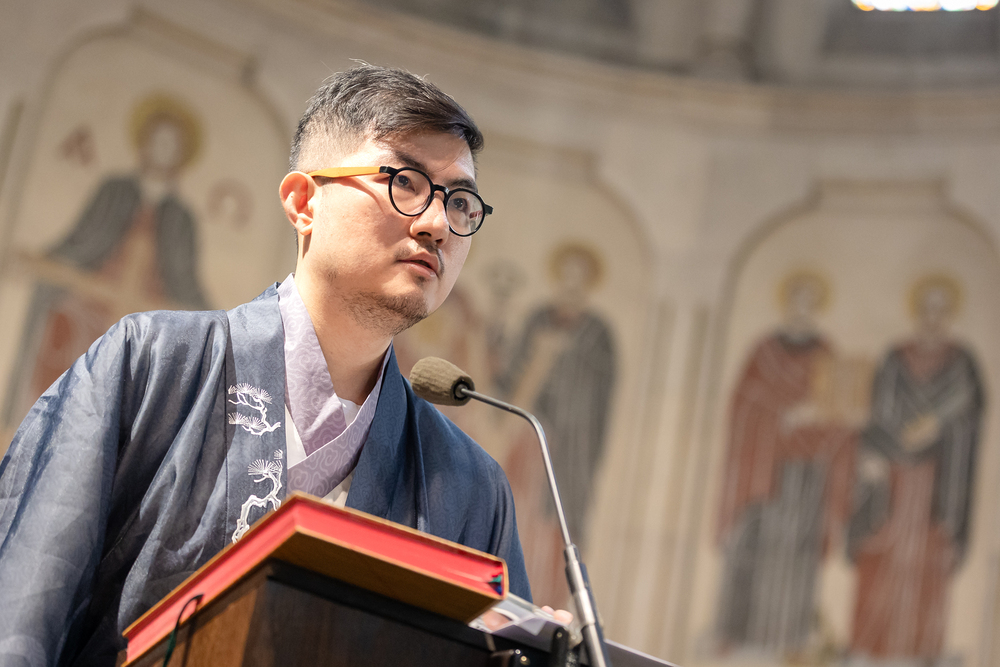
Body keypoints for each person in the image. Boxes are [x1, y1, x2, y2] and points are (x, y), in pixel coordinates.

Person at [0, 64, 530, 666]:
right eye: (405, 182)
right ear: (304, 202)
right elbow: (21, 611)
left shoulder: (470, 485)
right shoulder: (152, 365)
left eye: (460, 202)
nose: (437, 224)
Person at [715, 271, 857, 655]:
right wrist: (779, 415)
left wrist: (818, 420)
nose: (802, 309)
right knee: (754, 551)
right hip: (763, 474)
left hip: (805, 478)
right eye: (797, 300)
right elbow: (743, 404)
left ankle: (787, 639)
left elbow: (839, 416)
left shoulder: (826, 354)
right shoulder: (765, 352)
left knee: (795, 558)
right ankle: (743, 634)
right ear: (787, 303)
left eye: (810, 302)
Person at [848, 274, 983, 660]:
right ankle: (869, 645)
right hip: (892, 484)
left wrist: (939, 426)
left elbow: (969, 415)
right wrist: (891, 445)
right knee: (881, 553)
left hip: (937, 487)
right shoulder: (895, 358)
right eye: (927, 308)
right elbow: (880, 413)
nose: (933, 317)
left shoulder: (961, 364)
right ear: (917, 311)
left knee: (927, 561)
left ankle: (921, 648)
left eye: (941, 310)